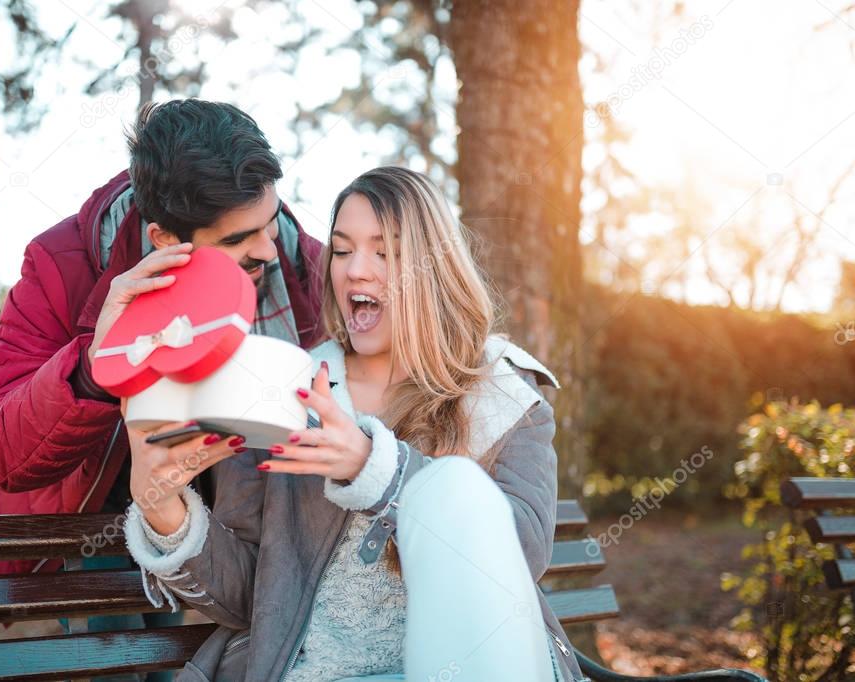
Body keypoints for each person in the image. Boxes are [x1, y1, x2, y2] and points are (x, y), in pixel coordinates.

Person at [122, 166, 587, 681]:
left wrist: (376, 470)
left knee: (456, 488)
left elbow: (518, 556)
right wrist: (166, 513)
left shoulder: (501, 394)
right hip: (320, 672)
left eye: (385, 252)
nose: (356, 271)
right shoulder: (283, 391)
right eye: (341, 251)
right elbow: (256, 597)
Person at [0, 99, 325, 681]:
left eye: (272, 221)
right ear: (163, 237)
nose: (267, 248)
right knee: (125, 660)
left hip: (240, 527)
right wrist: (93, 366)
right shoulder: (63, 264)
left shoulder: (303, 265)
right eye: (238, 241)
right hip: (103, 522)